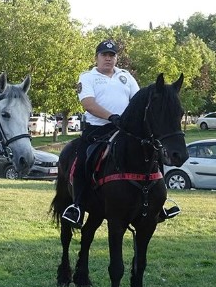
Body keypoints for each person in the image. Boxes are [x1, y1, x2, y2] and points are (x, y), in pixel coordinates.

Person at [61, 39, 178, 226]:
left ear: (116, 58)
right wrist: (112, 117)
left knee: (153, 154)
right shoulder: (87, 77)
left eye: (112, 55)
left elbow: (139, 102)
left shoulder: (126, 76)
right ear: (97, 57)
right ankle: (77, 206)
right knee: (83, 159)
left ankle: (160, 204)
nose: (108, 59)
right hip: (97, 131)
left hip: (126, 131)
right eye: (104, 55)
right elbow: (88, 104)